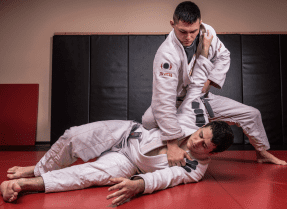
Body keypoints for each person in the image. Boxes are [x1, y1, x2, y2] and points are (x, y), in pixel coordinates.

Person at [1, 53, 234, 205]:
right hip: (127, 132)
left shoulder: (195, 168)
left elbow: (166, 178)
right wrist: (203, 54)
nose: (196, 142)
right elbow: (196, 88)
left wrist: (139, 185)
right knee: (73, 135)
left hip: (129, 163)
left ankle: (23, 185)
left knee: (86, 175)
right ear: (203, 127)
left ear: (212, 153)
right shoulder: (196, 118)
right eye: (200, 134)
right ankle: (38, 169)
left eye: (204, 145)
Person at [142, 1, 287, 167]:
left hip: (202, 97)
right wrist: (172, 144)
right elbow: (164, 100)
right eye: (182, 32)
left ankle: (262, 153)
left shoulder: (207, 32)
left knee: (252, 114)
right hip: (176, 102)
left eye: (193, 31)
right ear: (172, 24)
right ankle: (153, 153)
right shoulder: (166, 54)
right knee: (150, 122)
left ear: (200, 23)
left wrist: (209, 81)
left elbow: (223, 56)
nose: (188, 37)